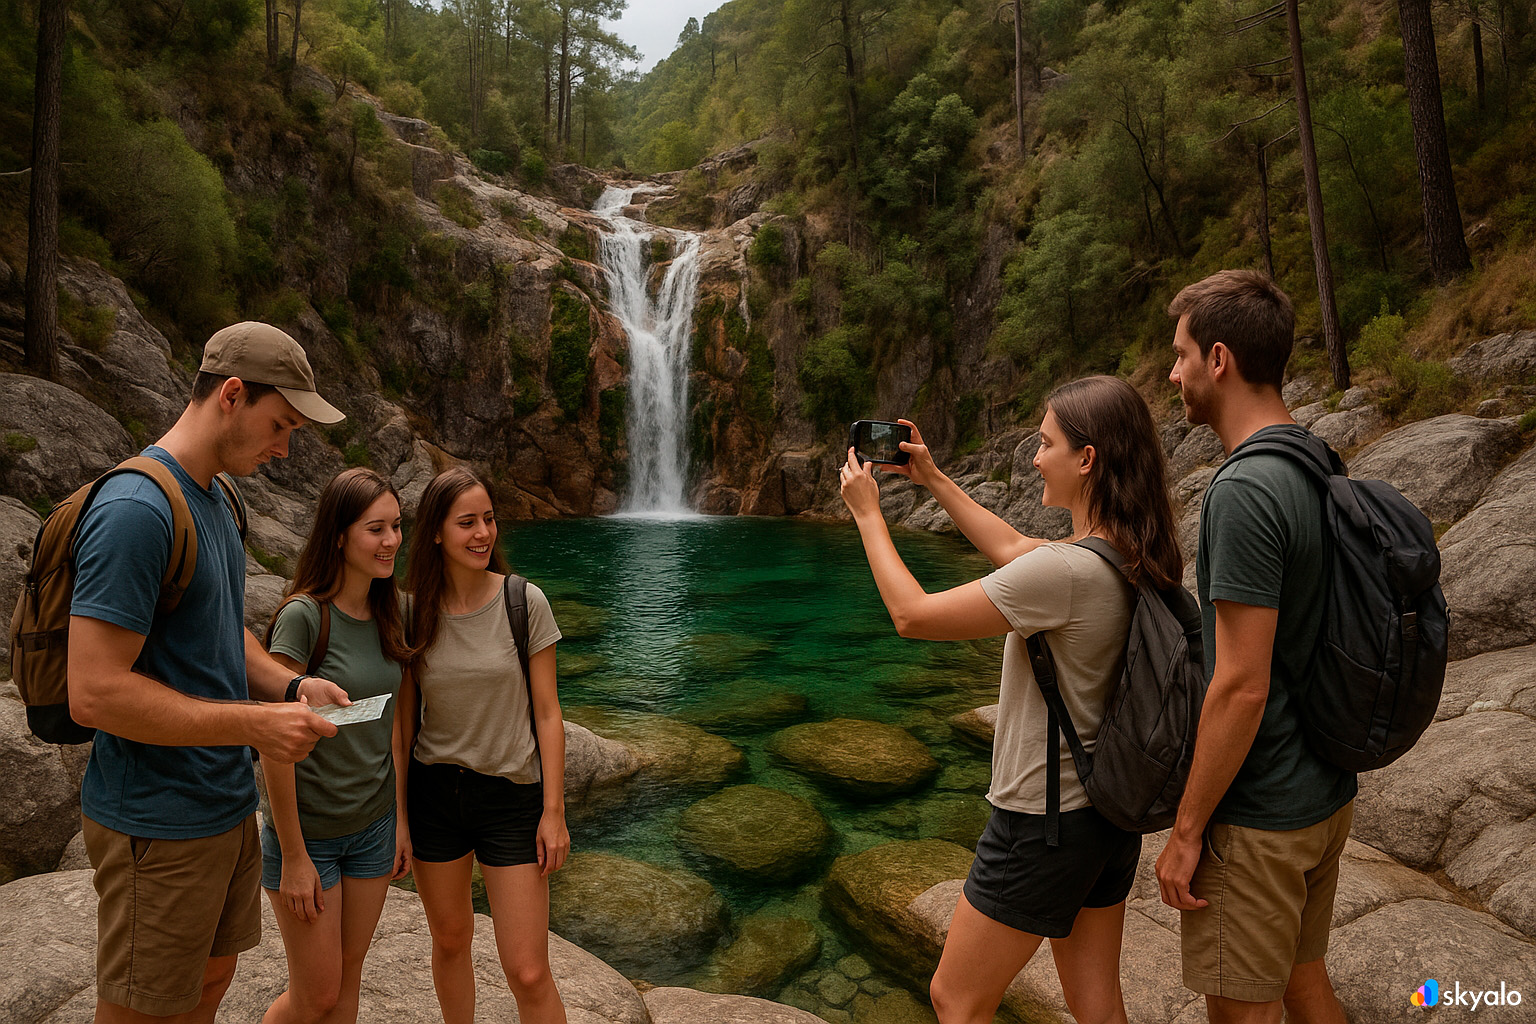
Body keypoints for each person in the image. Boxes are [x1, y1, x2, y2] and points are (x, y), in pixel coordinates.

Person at [839, 376, 1184, 1024]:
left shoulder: (1065, 574)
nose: (1033, 457)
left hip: (1042, 825)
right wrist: (935, 480)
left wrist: (867, 513)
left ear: (1087, 460)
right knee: (1098, 1005)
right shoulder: (1129, 555)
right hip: (1106, 816)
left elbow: (912, 615)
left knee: (955, 998)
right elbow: (1013, 549)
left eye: (1045, 443)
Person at [69, 321, 351, 1024]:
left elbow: (223, 633)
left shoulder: (220, 500)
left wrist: (288, 687)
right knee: (143, 1011)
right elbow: (94, 692)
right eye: (280, 424)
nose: (285, 447)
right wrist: (258, 725)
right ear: (231, 394)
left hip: (222, 810)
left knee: (207, 989)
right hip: (156, 823)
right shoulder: (137, 510)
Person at [1155, 270, 1355, 1024]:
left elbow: (1240, 684)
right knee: (1306, 987)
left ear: (1218, 358)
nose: (1172, 374)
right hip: (1323, 797)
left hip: (1261, 817)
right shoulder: (1314, 457)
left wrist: (1186, 833)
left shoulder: (1243, 491)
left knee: (1246, 1012)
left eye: (1178, 356)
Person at [400, 467, 571, 1024]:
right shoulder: (411, 613)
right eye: (466, 523)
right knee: (450, 943)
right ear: (435, 533)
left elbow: (548, 712)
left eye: (490, 520)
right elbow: (404, 726)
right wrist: (399, 816)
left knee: (528, 971)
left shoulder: (525, 602)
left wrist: (554, 812)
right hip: (435, 797)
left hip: (512, 799)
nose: (482, 534)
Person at [260, 468, 414, 1024]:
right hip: (310, 836)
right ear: (340, 536)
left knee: (349, 977)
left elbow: (394, 728)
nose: (392, 541)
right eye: (376, 529)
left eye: (397, 526)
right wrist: (294, 858)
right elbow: (274, 743)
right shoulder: (305, 617)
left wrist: (399, 821)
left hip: (372, 826)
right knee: (316, 995)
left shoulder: (392, 611)